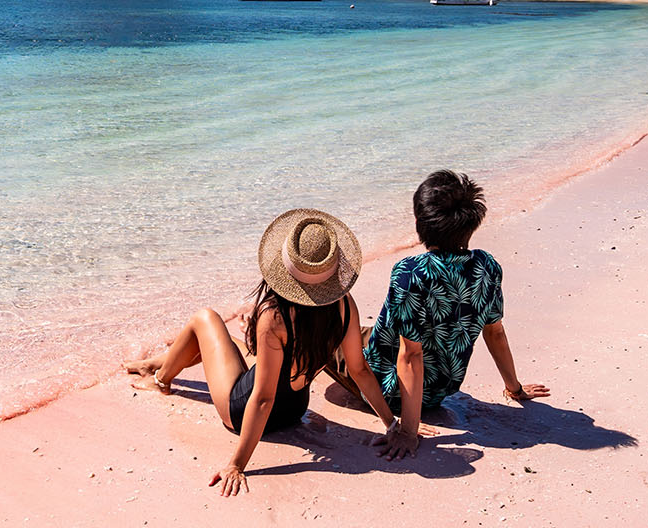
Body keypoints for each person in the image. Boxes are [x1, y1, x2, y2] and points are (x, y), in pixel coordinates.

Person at [123, 209, 424, 497]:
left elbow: (263, 398)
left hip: (242, 415)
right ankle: (159, 362)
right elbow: (359, 371)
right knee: (230, 342)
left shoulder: (275, 316)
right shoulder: (344, 305)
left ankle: (161, 379)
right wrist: (392, 424)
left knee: (205, 319)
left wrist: (236, 464)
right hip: (295, 410)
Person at [362, 170, 551, 460]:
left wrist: (407, 432)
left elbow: (411, 356)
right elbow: (495, 331)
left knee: (338, 338)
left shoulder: (410, 272)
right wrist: (515, 388)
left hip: (391, 390)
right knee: (371, 329)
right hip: (441, 390)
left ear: (418, 224)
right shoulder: (486, 266)